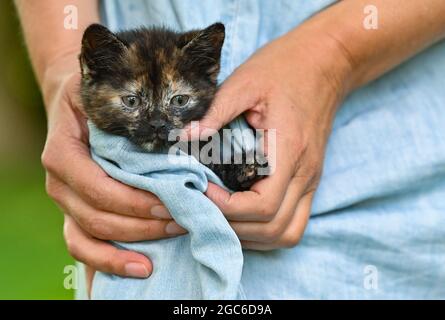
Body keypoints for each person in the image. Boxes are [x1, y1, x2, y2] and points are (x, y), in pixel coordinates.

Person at [15, 0, 445, 298]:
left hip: (380, 173)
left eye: (174, 105)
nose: (155, 122)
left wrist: (335, 54)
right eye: (132, 104)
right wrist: (59, 68)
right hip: (146, 236)